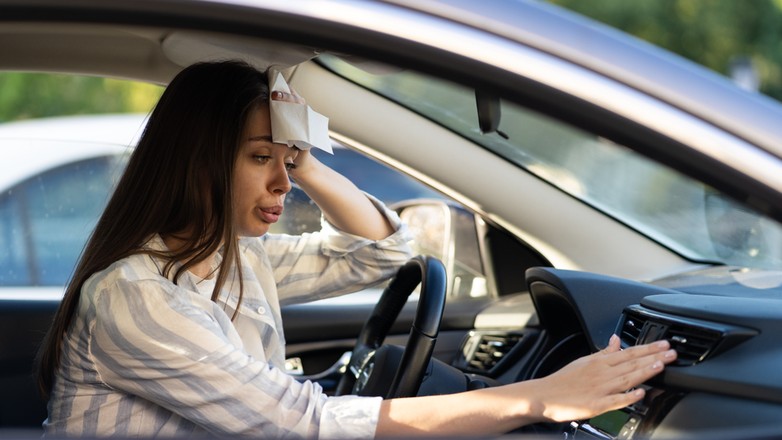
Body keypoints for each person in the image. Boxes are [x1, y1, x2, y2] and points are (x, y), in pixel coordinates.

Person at [35, 60, 676, 438]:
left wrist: (303, 157)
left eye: (287, 160)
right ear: (197, 163)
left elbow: (380, 253)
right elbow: (302, 424)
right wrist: (539, 398)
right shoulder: (138, 296)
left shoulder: (231, 259)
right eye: (261, 158)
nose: (283, 182)